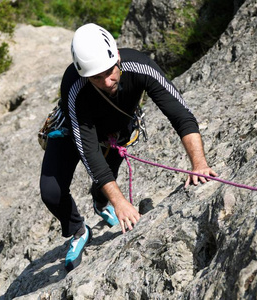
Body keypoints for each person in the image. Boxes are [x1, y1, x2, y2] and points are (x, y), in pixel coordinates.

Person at [39, 23, 217, 271]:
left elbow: (180, 114)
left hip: (116, 131)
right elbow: (89, 152)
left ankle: (100, 203)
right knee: (51, 192)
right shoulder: (75, 86)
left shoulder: (139, 66)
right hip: (72, 131)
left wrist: (199, 164)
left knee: (104, 186)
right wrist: (120, 202)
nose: (107, 81)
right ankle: (78, 230)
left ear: (118, 57)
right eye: (97, 77)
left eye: (110, 71)